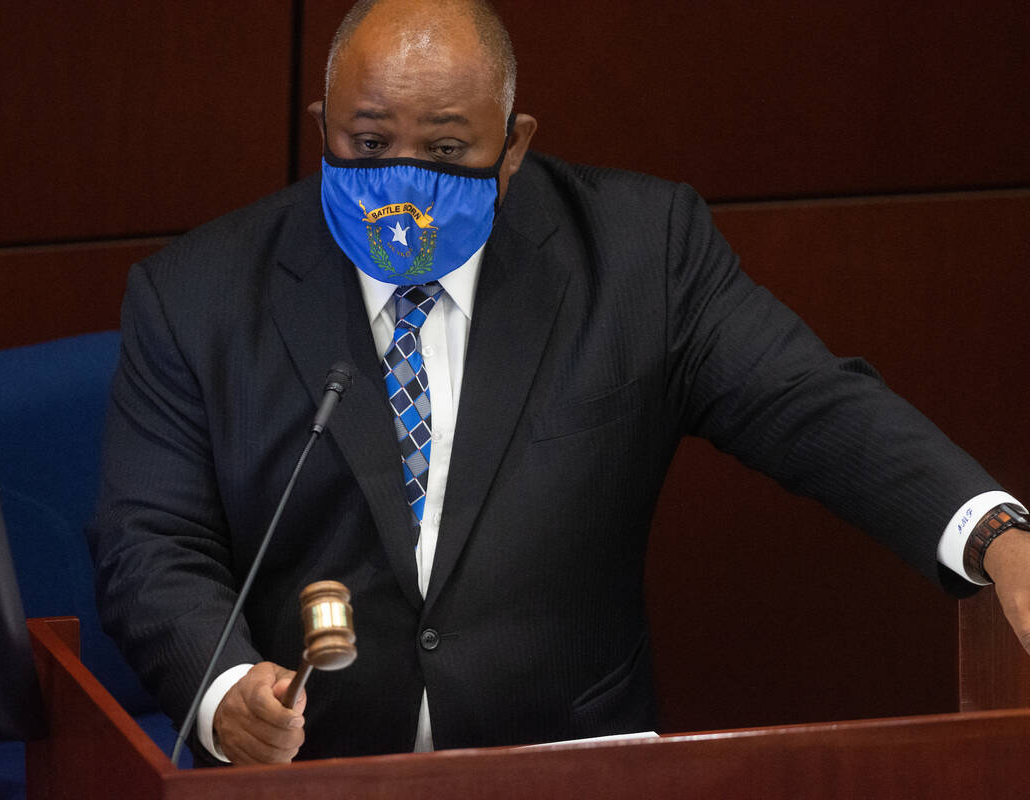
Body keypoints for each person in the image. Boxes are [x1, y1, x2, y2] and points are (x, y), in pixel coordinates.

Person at [87, 0, 1030, 766]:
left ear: (515, 142)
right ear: (322, 128)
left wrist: (996, 535)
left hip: (571, 766)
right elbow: (149, 540)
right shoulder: (199, 294)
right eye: (369, 147)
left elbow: (808, 404)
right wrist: (223, 693)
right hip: (315, 775)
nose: (404, 188)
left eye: (448, 151)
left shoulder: (639, 256)